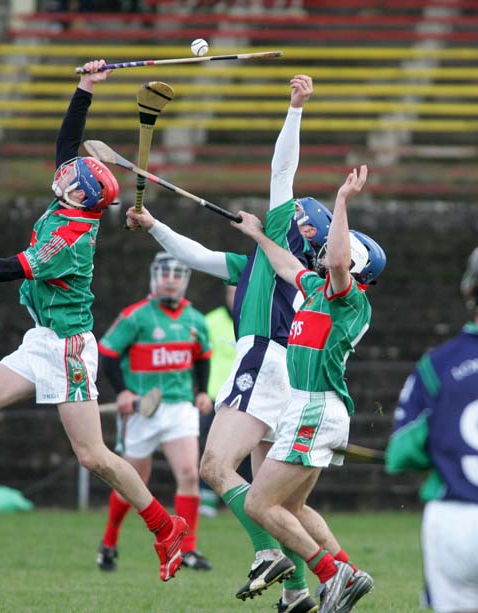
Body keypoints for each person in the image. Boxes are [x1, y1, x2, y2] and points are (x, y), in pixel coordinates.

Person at [0, 59, 187, 583]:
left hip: (68, 347)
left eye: (70, 177)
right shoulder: (73, 201)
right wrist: (85, 89)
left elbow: (10, 268)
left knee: (94, 456)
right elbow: (66, 145)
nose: (63, 171)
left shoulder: (69, 238)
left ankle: (165, 527)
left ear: (80, 196)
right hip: (42, 339)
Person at [128, 75, 364, 613]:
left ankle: (271, 557)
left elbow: (283, 170)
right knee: (274, 498)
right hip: (292, 379)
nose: (290, 207)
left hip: (263, 358)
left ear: (306, 230)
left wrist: (294, 109)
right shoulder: (269, 258)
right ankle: (305, 589)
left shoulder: (285, 242)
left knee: (214, 468)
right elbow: (201, 257)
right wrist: (156, 223)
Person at [232, 165, 385, 613]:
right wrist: (258, 235)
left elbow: (337, 260)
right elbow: (286, 265)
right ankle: (347, 571)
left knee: (260, 504)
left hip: (315, 408)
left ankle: (331, 575)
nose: (321, 253)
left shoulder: (348, 296)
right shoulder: (316, 288)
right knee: (292, 507)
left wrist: (342, 201)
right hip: (309, 409)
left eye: (336, 252)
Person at [96, 252, 214, 572]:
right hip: (142, 412)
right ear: (154, 277)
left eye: (177, 275)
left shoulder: (196, 320)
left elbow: (202, 357)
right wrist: (123, 391)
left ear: (185, 281)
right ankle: (108, 543)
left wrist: (201, 391)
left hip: (178, 406)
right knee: (133, 483)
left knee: (190, 473)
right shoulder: (135, 316)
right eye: (165, 274)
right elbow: (107, 354)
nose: (170, 281)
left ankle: (188, 549)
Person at [385, 247, 478, 613]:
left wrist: (441, 453)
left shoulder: (436, 365)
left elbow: (401, 452)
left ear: (469, 290)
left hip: (454, 521)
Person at [198, 284, 240, 519]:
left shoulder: (255, 320)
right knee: (209, 449)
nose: (235, 298)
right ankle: (206, 500)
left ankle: (244, 500)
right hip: (215, 397)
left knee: (244, 453)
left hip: (244, 399)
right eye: (230, 293)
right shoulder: (209, 322)